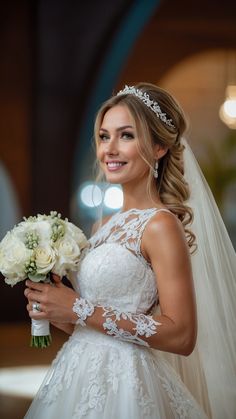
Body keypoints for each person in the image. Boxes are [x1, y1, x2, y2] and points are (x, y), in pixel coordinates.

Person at [24, 83, 236, 419]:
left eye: (125, 135)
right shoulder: (102, 227)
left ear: (158, 147)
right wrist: (56, 307)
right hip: (77, 377)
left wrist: (77, 307)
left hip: (128, 386)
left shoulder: (160, 225)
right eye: (104, 136)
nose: (109, 149)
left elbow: (182, 335)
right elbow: (91, 322)